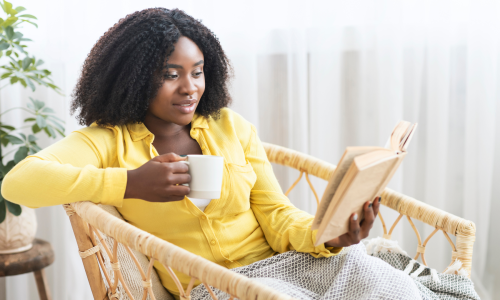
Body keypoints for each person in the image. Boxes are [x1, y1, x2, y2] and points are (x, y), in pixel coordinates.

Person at [2, 8, 421, 299]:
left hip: (291, 265)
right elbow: (20, 182)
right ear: (131, 78)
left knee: (394, 287)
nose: (189, 88)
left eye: (197, 72)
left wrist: (326, 236)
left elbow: (276, 215)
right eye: (170, 75)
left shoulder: (230, 126)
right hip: (213, 289)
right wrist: (131, 183)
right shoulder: (108, 140)